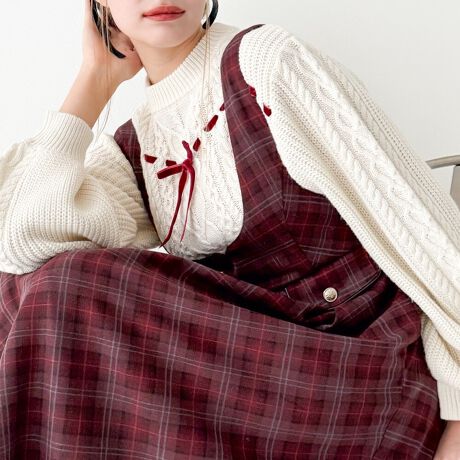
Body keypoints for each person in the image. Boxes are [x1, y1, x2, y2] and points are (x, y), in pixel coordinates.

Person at [0, 0, 459, 458]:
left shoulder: (268, 62)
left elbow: (431, 236)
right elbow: (24, 246)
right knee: (24, 291)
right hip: (254, 389)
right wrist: (93, 82)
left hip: (360, 372)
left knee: (73, 284)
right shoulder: (134, 144)